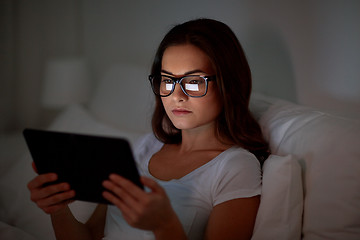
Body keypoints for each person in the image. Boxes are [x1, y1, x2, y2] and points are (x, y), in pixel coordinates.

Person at [27, 18, 269, 240]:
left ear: (228, 84)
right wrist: (58, 209)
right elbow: (91, 235)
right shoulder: (143, 148)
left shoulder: (236, 167)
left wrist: (164, 224)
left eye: (194, 82)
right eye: (167, 80)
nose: (177, 96)